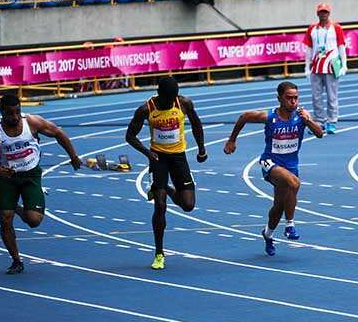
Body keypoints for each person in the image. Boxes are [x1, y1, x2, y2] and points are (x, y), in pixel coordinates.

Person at [0, 93, 81, 274]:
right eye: (10, 113)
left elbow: (58, 132)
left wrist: (73, 156)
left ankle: (16, 208)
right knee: (5, 219)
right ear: (2, 112)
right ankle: (16, 260)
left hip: (31, 176)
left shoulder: (32, 122)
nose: (15, 117)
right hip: (7, 178)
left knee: (34, 220)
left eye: (17, 112)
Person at [224, 82, 323, 256]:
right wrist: (232, 140)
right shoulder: (269, 117)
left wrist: (308, 121)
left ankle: (268, 234)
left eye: (296, 98)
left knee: (278, 206)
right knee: (294, 183)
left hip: (291, 165)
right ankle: (290, 225)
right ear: (279, 99)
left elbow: (320, 133)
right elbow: (244, 116)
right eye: (289, 98)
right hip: (269, 162)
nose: (293, 101)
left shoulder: (302, 116)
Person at [126, 77, 207, 270]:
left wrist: (201, 149)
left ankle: (166, 189)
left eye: (173, 99)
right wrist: (147, 152)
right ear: (160, 95)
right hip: (158, 159)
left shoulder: (183, 103)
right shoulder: (146, 109)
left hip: (179, 157)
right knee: (160, 206)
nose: (171, 102)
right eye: (168, 100)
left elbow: (196, 124)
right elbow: (130, 135)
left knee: (188, 205)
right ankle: (159, 253)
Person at [304, 2, 346, 134]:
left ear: (329, 13)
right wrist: (306, 67)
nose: (323, 14)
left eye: (325, 12)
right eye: (321, 12)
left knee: (332, 96)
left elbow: (341, 46)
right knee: (316, 97)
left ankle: (332, 122)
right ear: (317, 13)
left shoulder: (336, 28)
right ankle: (319, 122)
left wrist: (344, 64)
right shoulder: (312, 29)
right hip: (316, 65)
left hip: (332, 65)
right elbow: (309, 49)